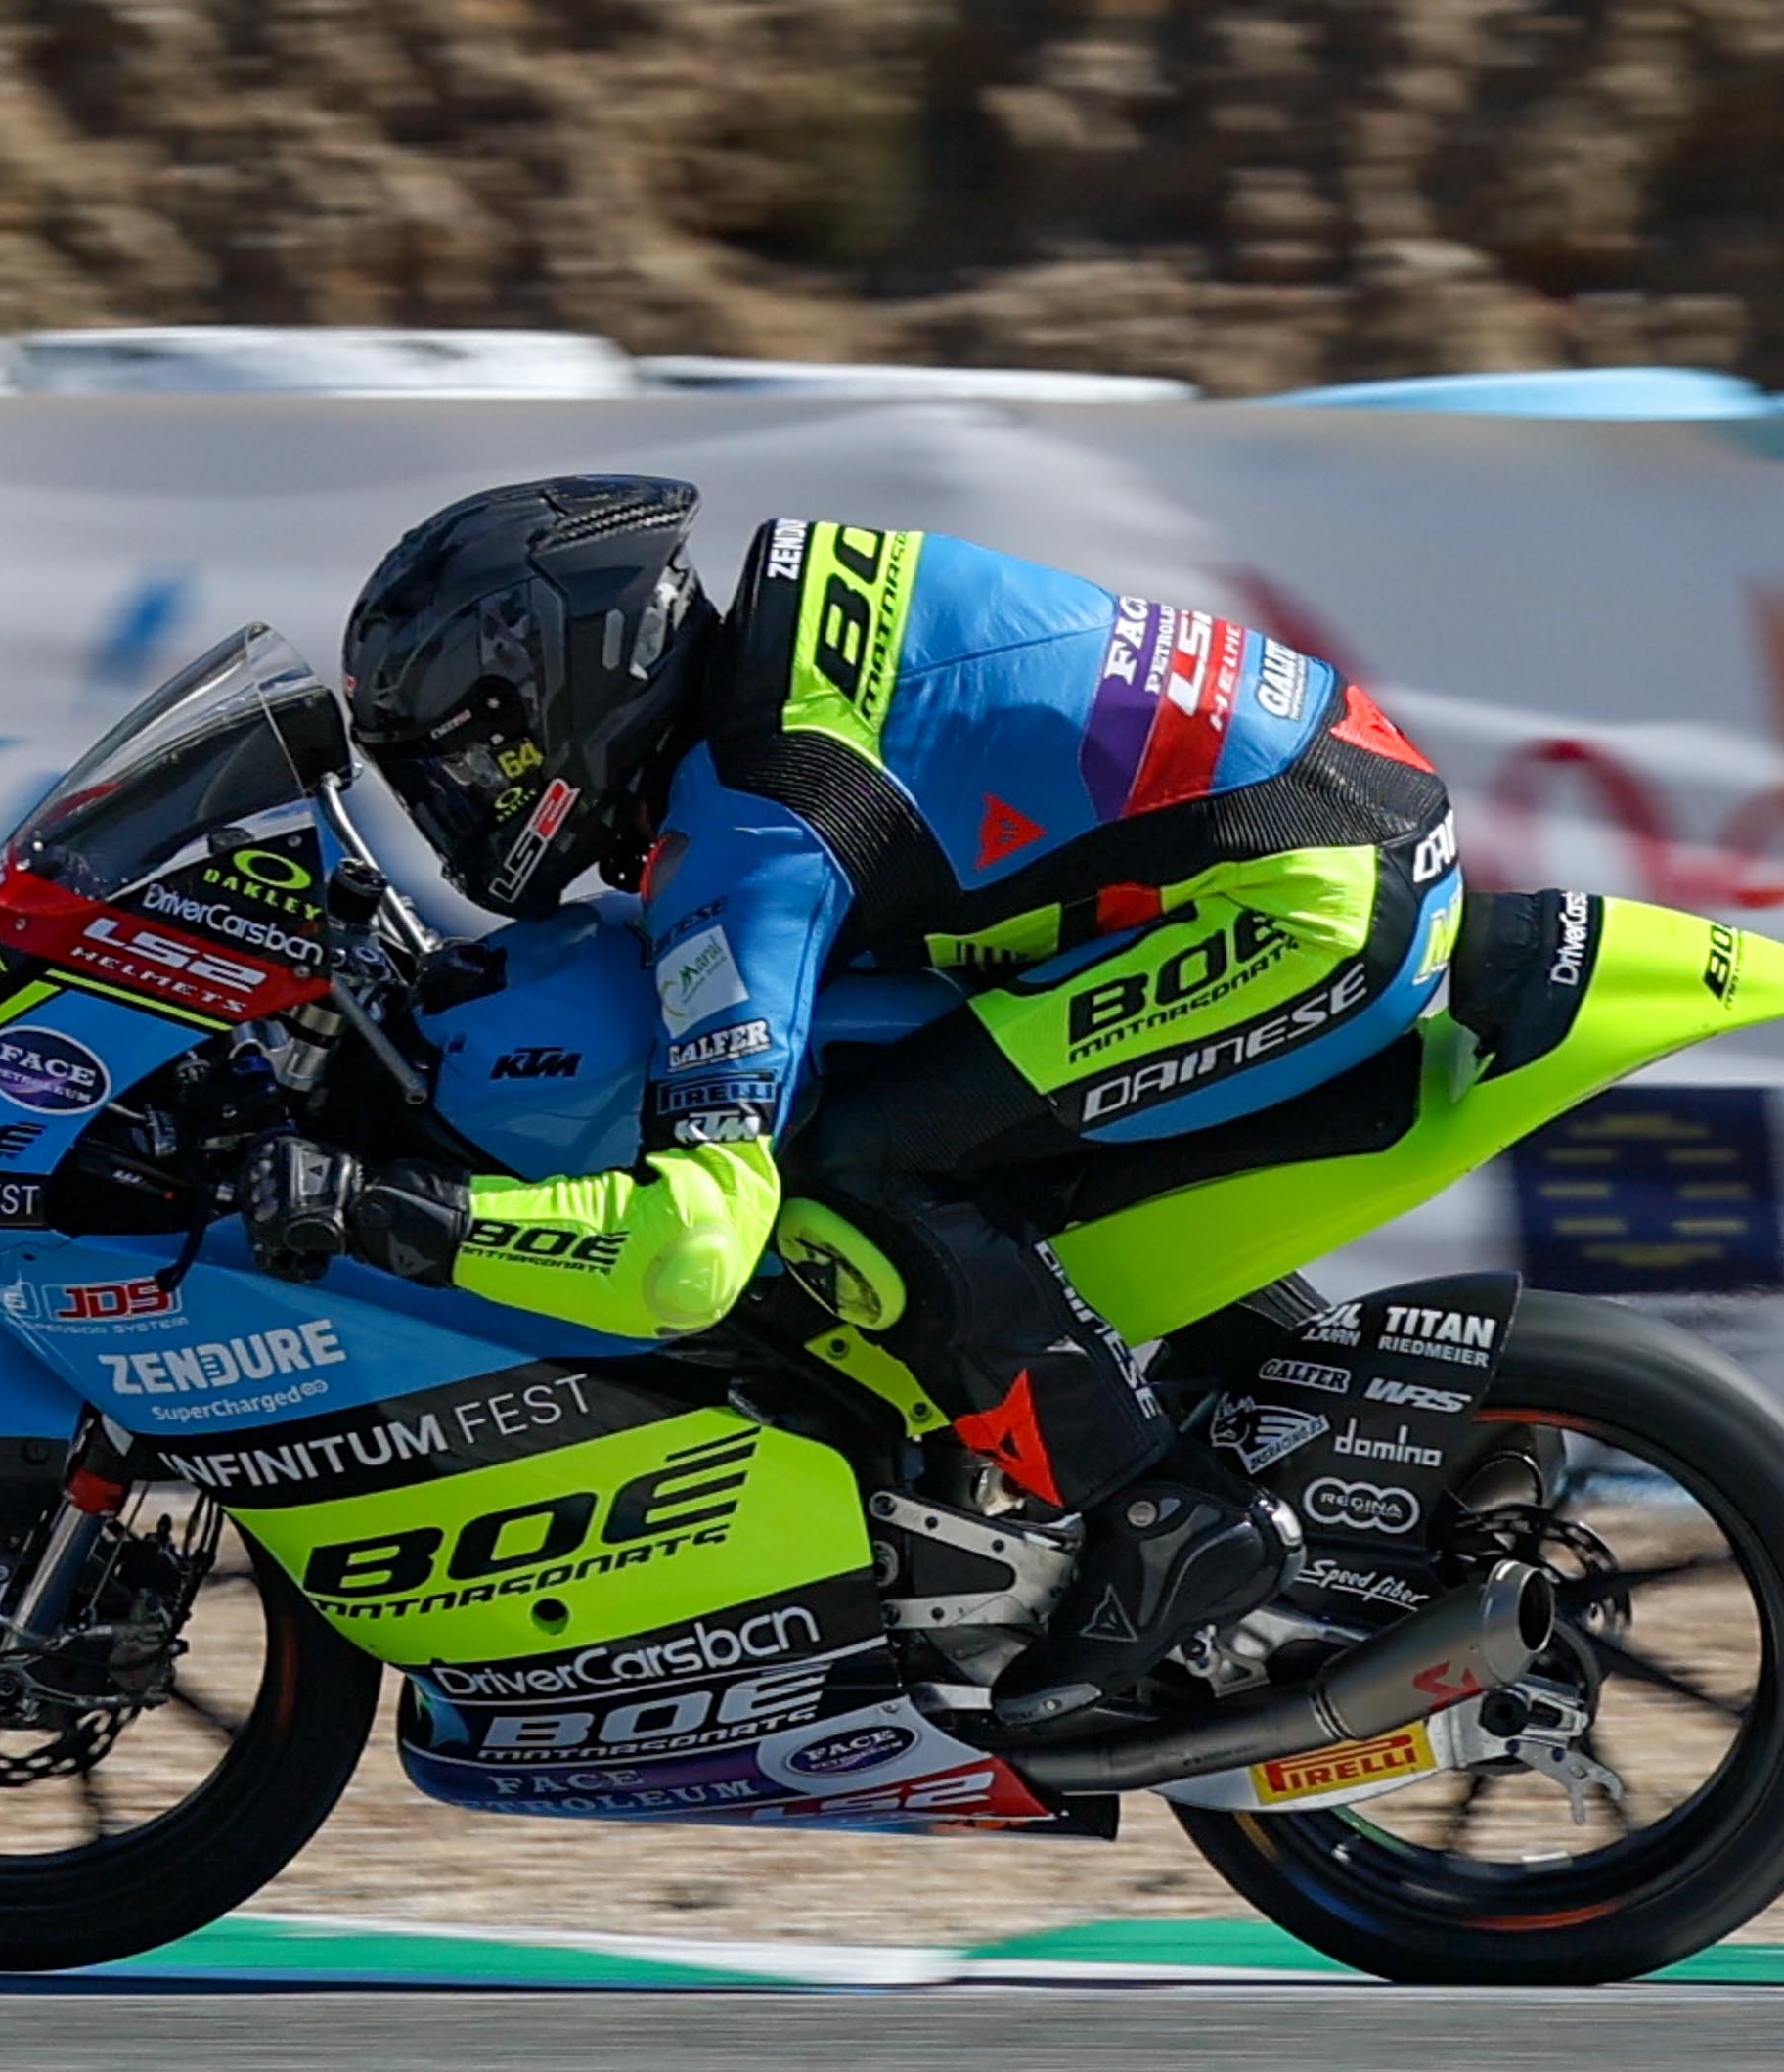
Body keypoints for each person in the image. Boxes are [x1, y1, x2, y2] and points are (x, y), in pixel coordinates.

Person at [249, 476, 1461, 1725]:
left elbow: (687, 1257)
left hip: (1307, 909)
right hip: (1326, 798)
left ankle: (1156, 1515)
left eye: (479, 750)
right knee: (898, 1081)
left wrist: (397, 1214)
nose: (471, 795)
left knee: (859, 1168)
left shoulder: (761, 834)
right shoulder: (785, 634)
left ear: (569, 678)